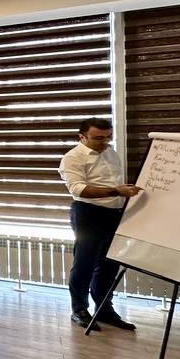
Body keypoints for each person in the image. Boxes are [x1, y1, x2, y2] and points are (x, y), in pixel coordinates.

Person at [58, 117, 140, 331]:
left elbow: (115, 183)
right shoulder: (72, 158)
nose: (104, 142)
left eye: (107, 137)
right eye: (98, 138)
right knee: (84, 263)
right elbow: (78, 189)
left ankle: (104, 310)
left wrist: (123, 191)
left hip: (115, 213)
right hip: (88, 213)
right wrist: (115, 191)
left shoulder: (111, 153)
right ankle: (79, 310)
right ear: (82, 137)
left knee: (109, 264)